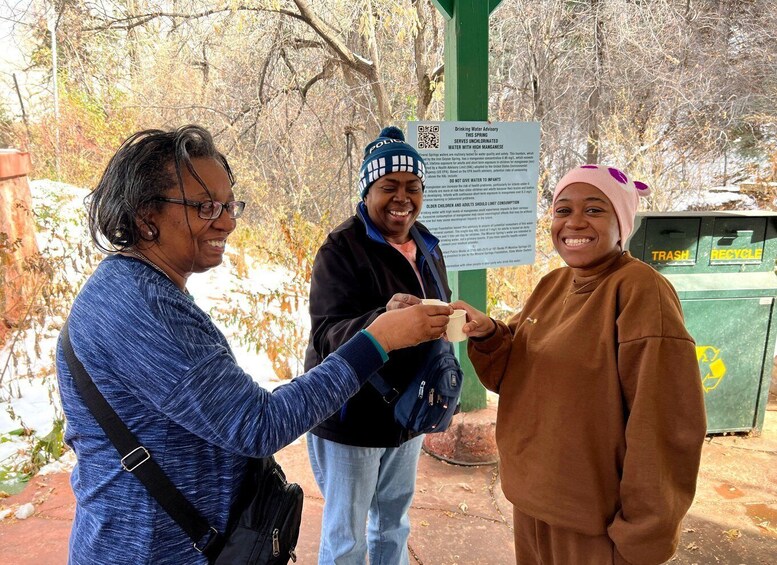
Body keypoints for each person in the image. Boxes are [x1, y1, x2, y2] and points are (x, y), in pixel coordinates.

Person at [55, 125, 453, 564]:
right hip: (148, 548)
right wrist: (377, 338)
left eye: (228, 205)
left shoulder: (141, 288)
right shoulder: (142, 308)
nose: (227, 221)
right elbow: (259, 424)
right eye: (206, 207)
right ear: (146, 216)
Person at [454, 164, 707, 565]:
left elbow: (665, 425)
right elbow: (515, 374)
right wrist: (488, 333)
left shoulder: (641, 291)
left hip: (597, 526)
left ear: (622, 223)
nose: (574, 222)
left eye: (594, 210)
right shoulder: (552, 285)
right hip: (533, 504)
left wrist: (643, 535)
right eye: (562, 210)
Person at [304, 125, 452, 564]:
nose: (402, 198)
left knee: (393, 525)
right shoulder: (341, 249)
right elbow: (326, 335)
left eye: (412, 187)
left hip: (408, 411)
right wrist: (382, 321)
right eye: (389, 186)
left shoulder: (426, 244)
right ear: (369, 189)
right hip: (353, 415)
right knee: (346, 538)